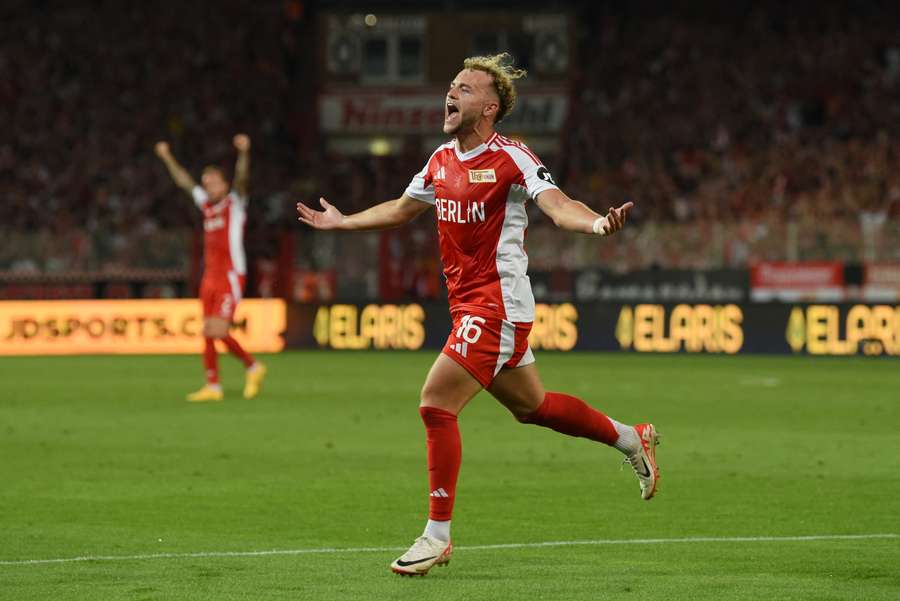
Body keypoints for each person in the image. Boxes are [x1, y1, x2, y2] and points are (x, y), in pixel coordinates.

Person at [296, 53, 659, 576]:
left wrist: (598, 224)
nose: (452, 92)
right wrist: (343, 222)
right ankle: (631, 437)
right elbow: (401, 209)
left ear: (489, 107)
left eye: (464, 88)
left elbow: (556, 203)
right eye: (452, 85)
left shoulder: (512, 156)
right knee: (533, 407)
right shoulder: (441, 160)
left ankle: (436, 535)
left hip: (498, 305)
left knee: (435, 403)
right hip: (467, 306)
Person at [155, 135, 266, 402]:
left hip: (230, 276)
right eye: (207, 183)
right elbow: (184, 181)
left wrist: (244, 153)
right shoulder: (206, 206)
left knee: (217, 330)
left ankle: (253, 366)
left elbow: (242, 178)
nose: (209, 186)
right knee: (207, 330)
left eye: (214, 182)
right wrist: (166, 156)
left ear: (224, 185)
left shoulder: (234, 204)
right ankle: (213, 386)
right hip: (210, 277)